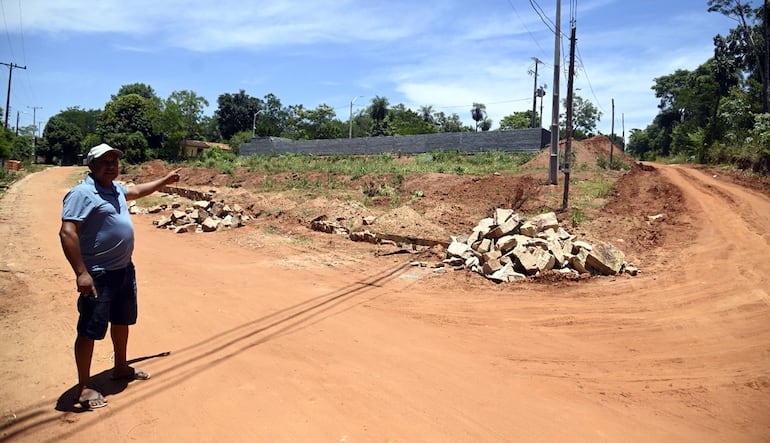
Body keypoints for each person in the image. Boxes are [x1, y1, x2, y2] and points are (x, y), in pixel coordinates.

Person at [59, 143, 181, 409]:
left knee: (122, 321)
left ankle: (121, 367)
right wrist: (82, 273)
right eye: (105, 160)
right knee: (89, 330)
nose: (111, 165)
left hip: (123, 269)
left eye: (115, 160)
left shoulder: (114, 189)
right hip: (98, 274)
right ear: (91, 164)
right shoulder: (83, 193)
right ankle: (83, 387)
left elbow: (137, 191)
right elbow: (67, 232)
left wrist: (165, 180)